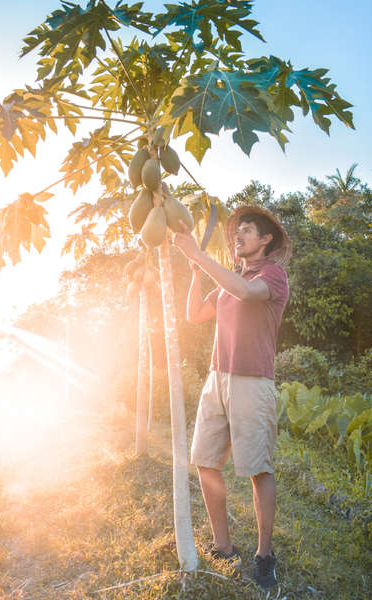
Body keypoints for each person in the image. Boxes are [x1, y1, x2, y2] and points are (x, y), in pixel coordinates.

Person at [173, 205, 292, 590]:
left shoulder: (271, 276)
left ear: (265, 239)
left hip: (252, 381)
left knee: (258, 469)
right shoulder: (228, 279)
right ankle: (223, 547)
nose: (238, 236)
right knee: (205, 460)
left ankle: (264, 555)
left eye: (246, 231)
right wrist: (195, 272)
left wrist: (198, 256)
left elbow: (243, 292)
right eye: (235, 231)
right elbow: (193, 314)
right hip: (217, 378)